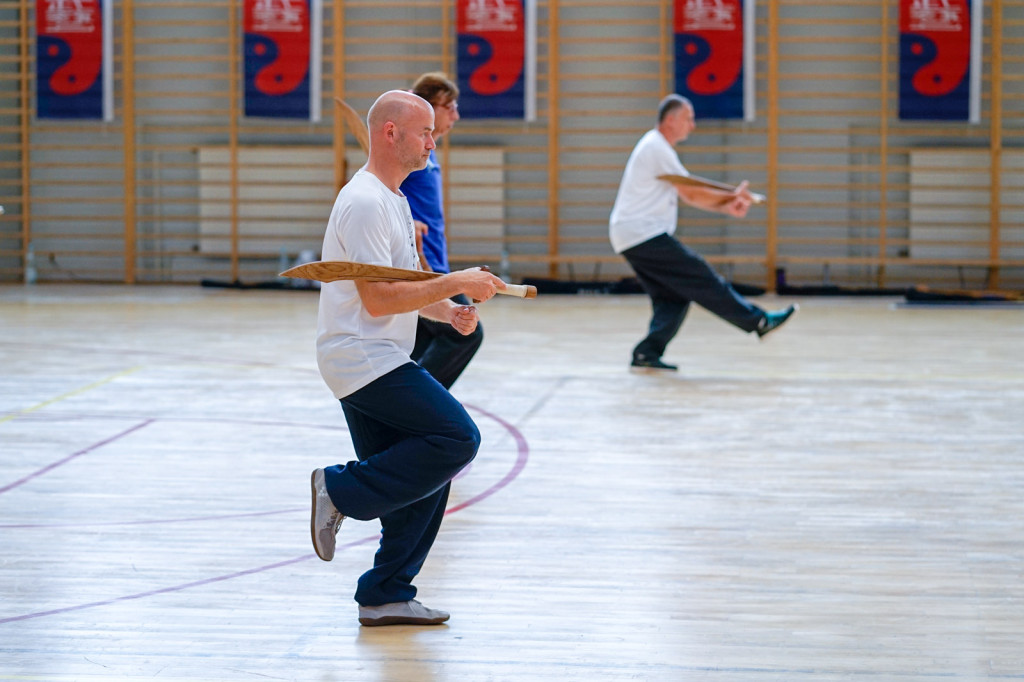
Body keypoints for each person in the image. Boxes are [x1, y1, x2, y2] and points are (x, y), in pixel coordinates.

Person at [309, 90, 506, 627]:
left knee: (423, 474)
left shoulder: (394, 200)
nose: (433, 140)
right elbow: (377, 300)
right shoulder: (367, 201)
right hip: (361, 356)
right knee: (457, 438)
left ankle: (385, 593)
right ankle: (339, 488)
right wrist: (459, 280)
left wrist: (449, 310)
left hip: (374, 353)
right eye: (425, 132)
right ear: (391, 133)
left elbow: (406, 285)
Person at [609, 94, 797, 372]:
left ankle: (646, 353)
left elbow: (691, 195)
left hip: (631, 235)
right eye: (689, 118)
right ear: (670, 120)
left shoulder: (657, 148)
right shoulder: (656, 147)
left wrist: (729, 203)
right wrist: (729, 198)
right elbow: (691, 191)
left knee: (672, 297)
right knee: (700, 275)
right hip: (641, 234)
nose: (693, 125)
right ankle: (758, 321)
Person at [401, 72, 482, 390]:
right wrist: (406, 222)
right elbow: (378, 190)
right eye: (450, 106)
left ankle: (400, 408)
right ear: (429, 108)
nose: (456, 115)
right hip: (424, 265)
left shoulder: (427, 151)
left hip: (435, 260)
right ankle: (420, 406)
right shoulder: (408, 150)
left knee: (417, 346)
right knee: (464, 332)